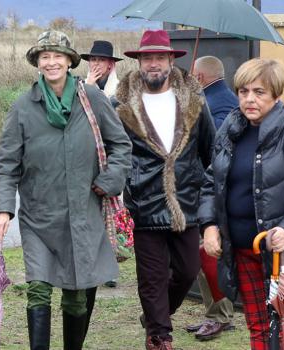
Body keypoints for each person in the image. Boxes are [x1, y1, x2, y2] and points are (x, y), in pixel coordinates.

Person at [0, 30, 131, 350]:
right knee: (38, 287)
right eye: (45, 57)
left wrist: (109, 181)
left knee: (76, 291)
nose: (51, 62)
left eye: (58, 56)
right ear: (37, 63)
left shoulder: (92, 98)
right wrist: (2, 208)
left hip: (83, 213)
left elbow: (120, 145)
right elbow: (6, 163)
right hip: (39, 216)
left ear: (70, 61)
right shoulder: (23, 107)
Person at [115, 29, 215, 350]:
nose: (153, 64)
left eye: (160, 57)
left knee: (187, 271)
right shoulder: (121, 104)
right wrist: (124, 187)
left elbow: (209, 151)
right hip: (144, 203)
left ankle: (157, 316)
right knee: (152, 278)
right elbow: (115, 152)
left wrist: (207, 191)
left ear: (171, 60)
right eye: (148, 58)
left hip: (186, 203)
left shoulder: (195, 101)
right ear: (139, 62)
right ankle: (159, 336)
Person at [199, 58, 284, 350]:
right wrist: (210, 225)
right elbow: (212, 181)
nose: (249, 99)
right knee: (259, 327)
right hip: (240, 248)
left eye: (259, 92)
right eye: (243, 91)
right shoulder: (230, 129)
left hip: (280, 254)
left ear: (276, 94)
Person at [184, 55, 237, 341]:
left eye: (193, 75)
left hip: (211, 187)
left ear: (201, 77)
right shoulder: (210, 97)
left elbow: (216, 145)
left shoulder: (220, 103)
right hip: (201, 187)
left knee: (209, 253)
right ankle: (216, 313)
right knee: (201, 255)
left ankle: (221, 316)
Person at [82, 39, 124, 290]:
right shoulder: (80, 85)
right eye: (93, 60)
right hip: (88, 159)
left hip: (110, 161)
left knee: (110, 214)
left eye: (101, 61)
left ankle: (109, 269)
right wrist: (86, 88)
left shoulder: (118, 92)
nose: (96, 65)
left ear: (111, 65)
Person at [194, 56, 239, 129]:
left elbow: (222, 130)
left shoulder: (221, 99)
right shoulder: (220, 94)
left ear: (199, 77)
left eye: (192, 76)